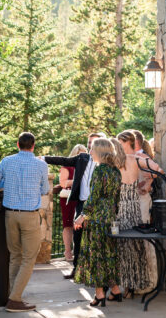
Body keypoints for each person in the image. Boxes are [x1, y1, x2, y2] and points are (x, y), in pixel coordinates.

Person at [0, 131, 51, 312]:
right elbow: (45, 189)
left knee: (15, 256)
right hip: (29, 215)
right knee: (29, 257)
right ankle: (15, 299)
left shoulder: (7, 161)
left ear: (17, 144)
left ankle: (14, 295)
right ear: (33, 146)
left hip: (10, 214)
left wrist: (9, 182)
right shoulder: (40, 165)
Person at [44, 131, 106, 278]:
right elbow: (64, 161)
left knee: (96, 239)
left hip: (97, 205)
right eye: (89, 142)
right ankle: (77, 269)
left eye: (94, 142)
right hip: (81, 204)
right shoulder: (82, 158)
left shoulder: (105, 165)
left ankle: (97, 273)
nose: (90, 145)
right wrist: (44, 158)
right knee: (78, 238)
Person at [73, 138, 122, 307]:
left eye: (92, 149)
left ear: (100, 151)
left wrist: (82, 216)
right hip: (110, 218)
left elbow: (93, 197)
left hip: (98, 218)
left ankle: (99, 294)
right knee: (108, 254)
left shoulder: (100, 170)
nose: (90, 152)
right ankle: (115, 290)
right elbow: (116, 198)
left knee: (96, 255)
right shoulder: (116, 171)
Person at [115, 131, 155, 296]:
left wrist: (146, 183)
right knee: (126, 245)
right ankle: (129, 284)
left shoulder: (139, 158)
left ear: (132, 143)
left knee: (136, 244)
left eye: (122, 143)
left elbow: (155, 172)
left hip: (137, 205)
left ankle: (137, 283)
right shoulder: (124, 159)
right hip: (125, 205)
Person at [56, 143, 87, 263]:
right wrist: (78, 180)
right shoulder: (67, 167)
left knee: (80, 225)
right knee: (68, 224)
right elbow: (63, 183)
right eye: (80, 154)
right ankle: (67, 250)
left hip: (81, 197)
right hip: (68, 198)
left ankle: (78, 250)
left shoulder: (87, 167)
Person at [131, 128, 163, 223]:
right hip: (133, 197)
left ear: (135, 141)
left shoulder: (143, 156)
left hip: (143, 195)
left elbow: (159, 171)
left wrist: (148, 182)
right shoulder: (131, 155)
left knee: (143, 222)